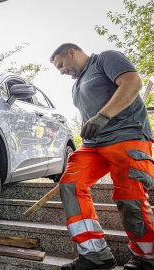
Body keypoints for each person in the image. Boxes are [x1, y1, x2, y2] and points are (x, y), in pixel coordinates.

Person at [50, 43, 154, 270]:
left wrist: (103, 116)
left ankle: (147, 256)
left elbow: (132, 82)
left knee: (130, 197)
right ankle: (94, 254)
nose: (61, 71)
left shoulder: (105, 59)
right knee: (70, 185)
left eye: (61, 65)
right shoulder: (76, 85)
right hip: (94, 145)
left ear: (71, 52)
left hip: (128, 135)